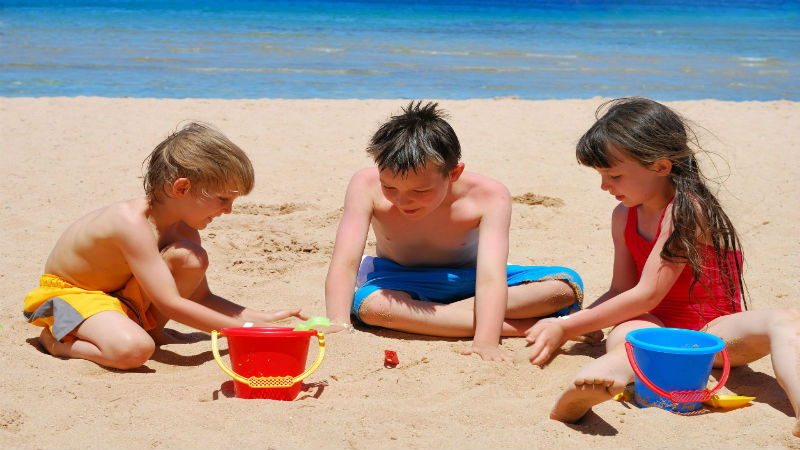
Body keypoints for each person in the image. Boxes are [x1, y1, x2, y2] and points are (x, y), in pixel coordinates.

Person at [524, 97, 800, 437]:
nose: (604, 186)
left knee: (784, 320)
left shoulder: (689, 210)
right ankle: (600, 382)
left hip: (714, 336)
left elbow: (647, 293)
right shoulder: (623, 216)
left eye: (614, 174)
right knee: (628, 331)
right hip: (653, 331)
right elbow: (621, 289)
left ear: (661, 166)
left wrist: (565, 325)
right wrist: (590, 320)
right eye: (601, 175)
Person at [23, 122, 305, 370]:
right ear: (181, 188)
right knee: (134, 350)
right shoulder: (131, 223)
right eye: (222, 199)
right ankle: (58, 343)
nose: (229, 210)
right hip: (68, 297)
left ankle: (150, 330)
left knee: (190, 258)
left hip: (119, 296)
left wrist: (258, 317)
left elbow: (201, 297)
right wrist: (247, 331)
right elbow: (171, 303)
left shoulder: (184, 227)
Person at [324, 101, 585, 362]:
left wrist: (486, 342)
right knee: (372, 307)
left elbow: (491, 277)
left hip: (471, 279)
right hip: (400, 279)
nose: (402, 201)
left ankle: (440, 319)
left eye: (419, 191)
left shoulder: (489, 195)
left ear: (454, 173)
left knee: (564, 287)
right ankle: (525, 327)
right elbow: (345, 263)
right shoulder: (364, 184)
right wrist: (338, 321)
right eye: (389, 187)